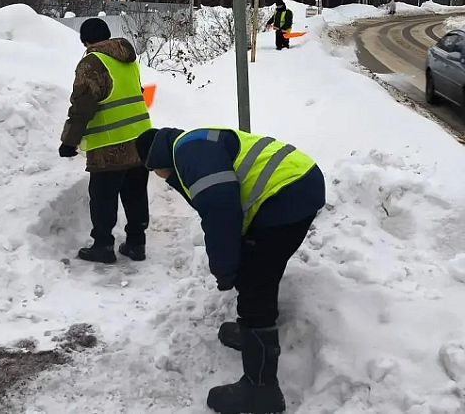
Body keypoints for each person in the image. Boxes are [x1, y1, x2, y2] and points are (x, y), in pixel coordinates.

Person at [134, 126, 326, 414]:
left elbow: (220, 210)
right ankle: (252, 336)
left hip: (287, 194)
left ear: (155, 162)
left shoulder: (190, 154)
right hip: (298, 184)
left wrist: (224, 269)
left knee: (254, 281)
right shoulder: (191, 144)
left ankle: (261, 389)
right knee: (258, 266)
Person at [58, 17, 152, 264]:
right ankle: (136, 243)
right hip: (140, 139)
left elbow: (82, 106)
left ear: (85, 40)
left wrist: (69, 141)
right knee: (135, 194)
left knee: (103, 198)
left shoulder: (92, 63)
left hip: (109, 145)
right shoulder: (127, 60)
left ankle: (103, 246)